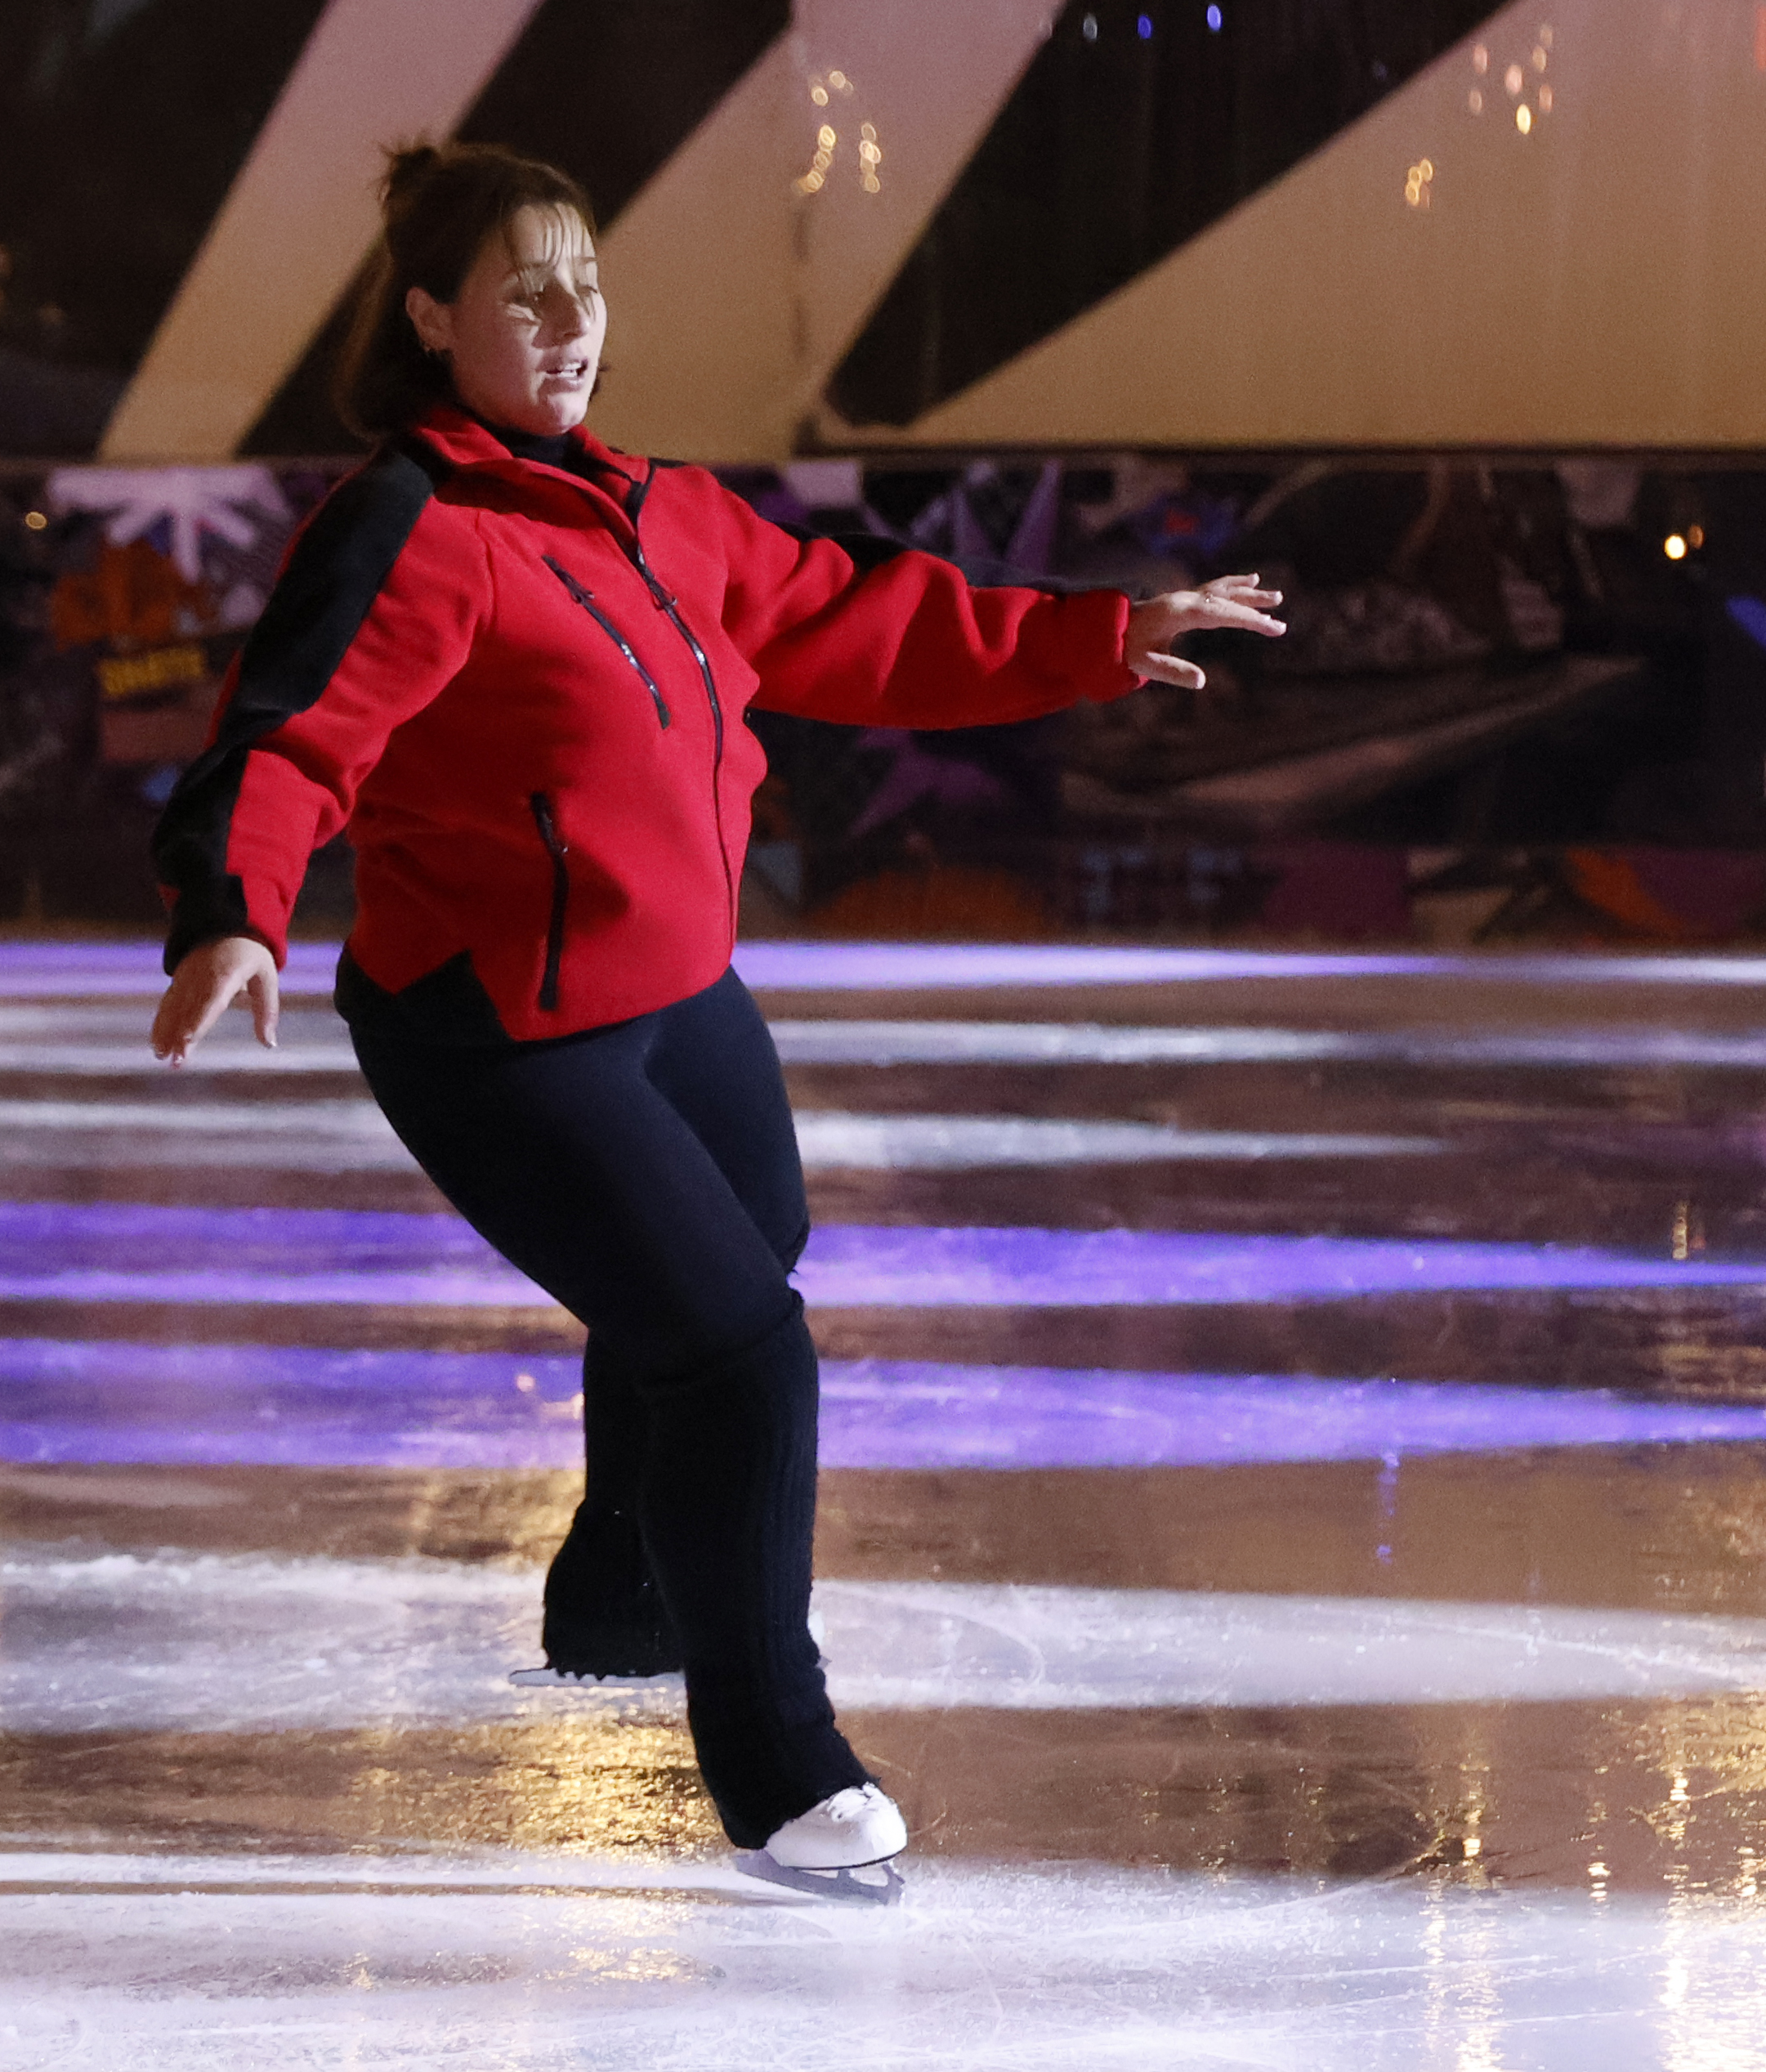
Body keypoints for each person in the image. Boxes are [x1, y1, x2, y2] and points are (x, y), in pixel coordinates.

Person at [149, 141, 1283, 1896]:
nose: (564, 318)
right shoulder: (413, 524)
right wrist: (234, 904)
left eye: (584, 281)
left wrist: (1093, 634)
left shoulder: (662, 511)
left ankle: (619, 1586)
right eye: (520, 287)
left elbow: (854, 618)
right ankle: (776, 1757)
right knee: (737, 1349)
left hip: (678, 998)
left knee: (732, 1255)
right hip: (499, 1029)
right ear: (434, 315)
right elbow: (291, 732)